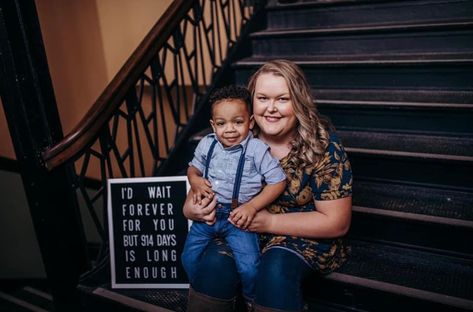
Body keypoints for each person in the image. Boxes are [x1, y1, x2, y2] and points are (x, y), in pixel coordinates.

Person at [183, 60, 353, 312]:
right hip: (238, 229)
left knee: (275, 270)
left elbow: (337, 222)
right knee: (213, 267)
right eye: (262, 98)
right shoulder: (233, 136)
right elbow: (204, 183)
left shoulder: (323, 148)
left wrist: (269, 222)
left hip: (299, 235)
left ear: (298, 101)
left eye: (282, 99)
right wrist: (191, 207)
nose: (271, 109)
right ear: (251, 104)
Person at [181, 85, 287, 303]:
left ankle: (250, 299)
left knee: (249, 266)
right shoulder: (207, 144)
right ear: (213, 125)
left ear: (250, 122)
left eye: (238, 122)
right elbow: (193, 168)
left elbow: (278, 181)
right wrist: (195, 181)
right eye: (221, 124)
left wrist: (252, 206)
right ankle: (200, 292)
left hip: (238, 218)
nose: (229, 129)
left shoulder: (257, 150)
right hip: (207, 216)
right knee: (188, 258)